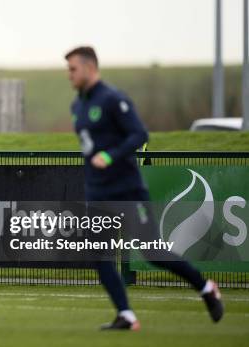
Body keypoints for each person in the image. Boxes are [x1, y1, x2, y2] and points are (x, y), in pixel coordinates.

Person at [65, 46, 224, 330]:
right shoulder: (78, 106)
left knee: (153, 252)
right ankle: (126, 315)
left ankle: (205, 288)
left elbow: (140, 134)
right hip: (99, 193)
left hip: (127, 191)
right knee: (100, 258)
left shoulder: (113, 99)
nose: (69, 75)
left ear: (90, 67)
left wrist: (111, 155)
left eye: (73, 68)